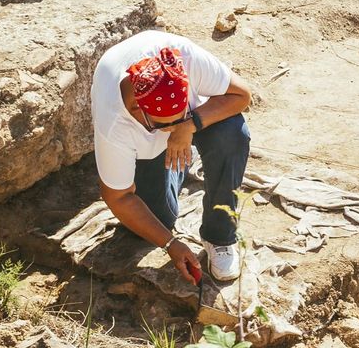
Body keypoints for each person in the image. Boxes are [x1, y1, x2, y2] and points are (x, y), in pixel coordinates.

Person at [91, 29, 255, 284]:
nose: (170, 130)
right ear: (136, 108)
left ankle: (219, 236)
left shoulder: (186, 59)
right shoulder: (114, 125)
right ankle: (182, 158)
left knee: (232, 133)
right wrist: (170, 244)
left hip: (195, 125)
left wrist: (187, 126)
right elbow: (118, 197)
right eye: (162, 125)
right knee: (158, 221)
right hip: (143, 148)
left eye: (178, 118)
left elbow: (242, 95)